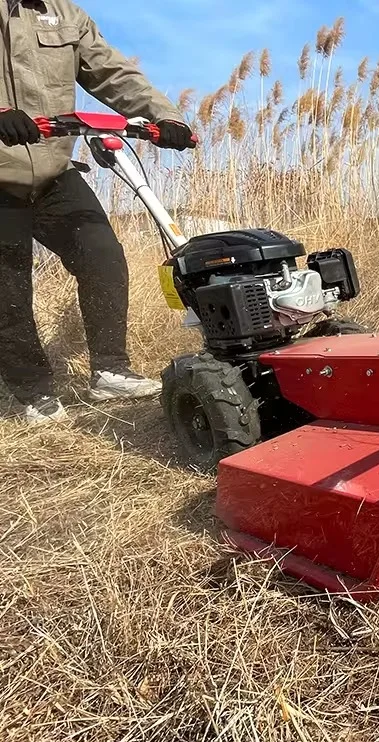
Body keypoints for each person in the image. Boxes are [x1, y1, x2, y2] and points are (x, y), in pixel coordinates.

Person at [0, 0, 196, 424]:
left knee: (102, 256)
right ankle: (32, 391)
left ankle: (110, 369)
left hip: (54, 171)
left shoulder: (67, 14)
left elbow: (111, 72)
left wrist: (163, 116)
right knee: (8, 284)